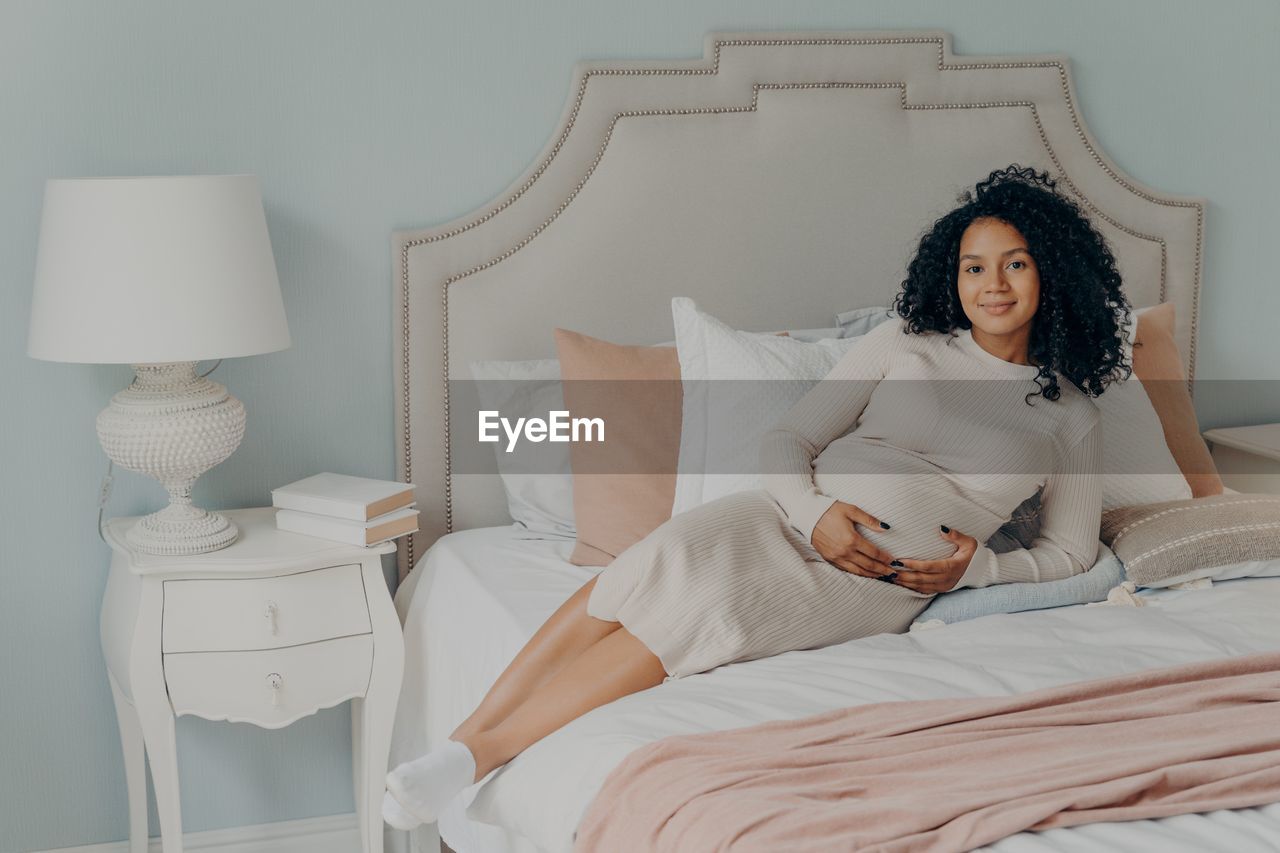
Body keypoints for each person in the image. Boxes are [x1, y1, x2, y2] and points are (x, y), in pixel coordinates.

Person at [381, 164, 1131, 829]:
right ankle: (464, 738)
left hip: (868, 579)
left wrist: (981, 572)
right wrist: (816, 514)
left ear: (1052, 275)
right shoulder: (904, 344)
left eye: (1015, 264)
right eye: (973, 267)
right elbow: (787, 443)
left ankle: (480, 755)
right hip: (781, 517)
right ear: (952, 274)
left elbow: (1070, 550)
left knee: (697, 613)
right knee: (651, 563)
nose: (991, 285)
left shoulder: (1070, 415)